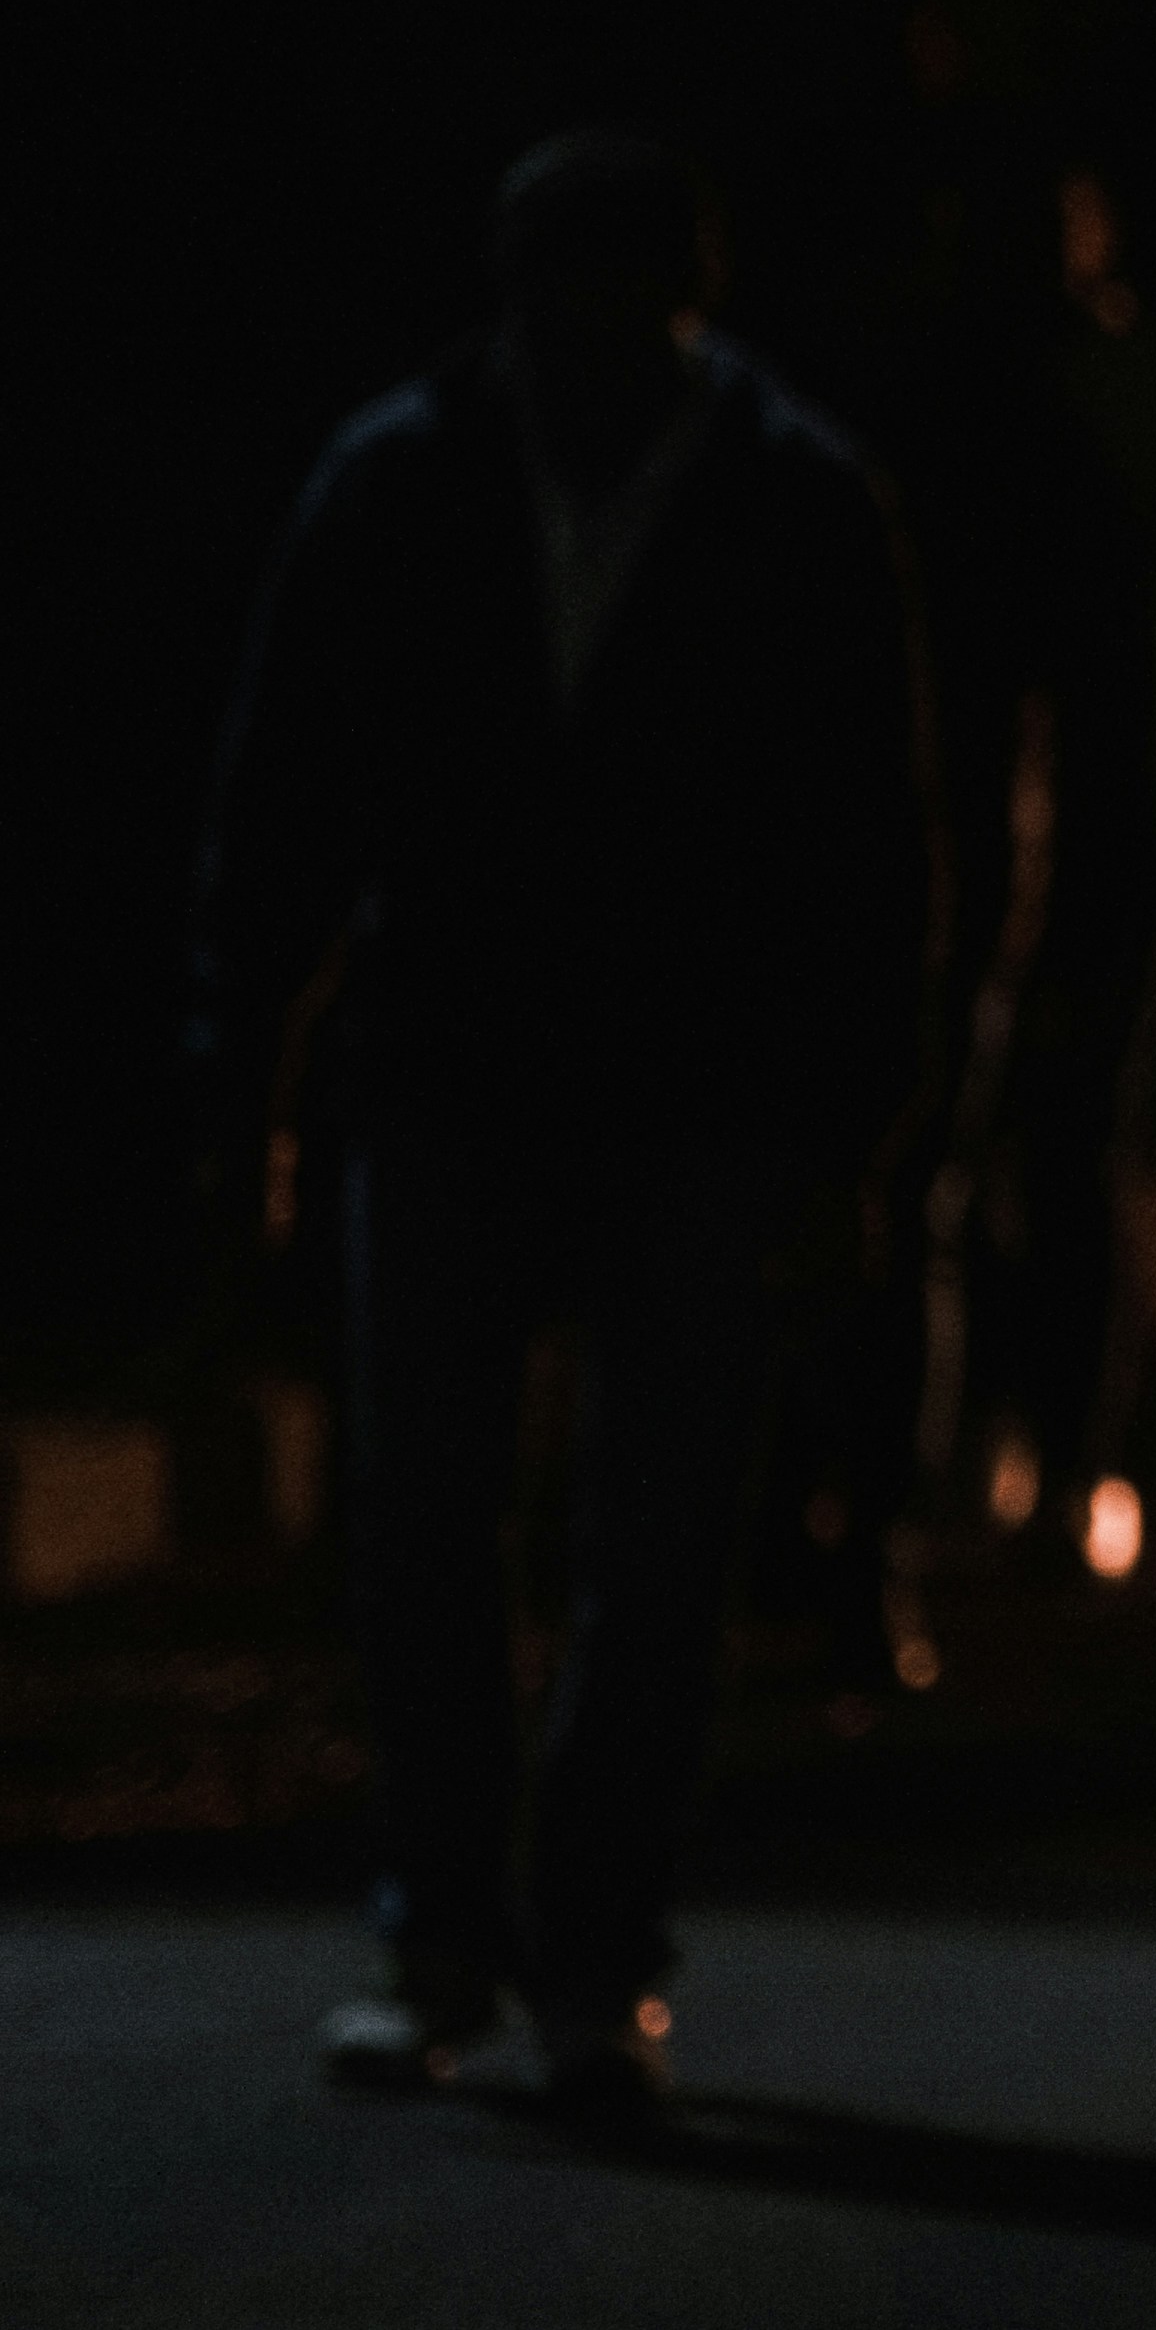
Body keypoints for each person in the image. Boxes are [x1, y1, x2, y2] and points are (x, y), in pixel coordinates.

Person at [192, 132, 937, 2119]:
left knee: (623, 1541)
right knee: (480, 1530)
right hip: (496, 1082)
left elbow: (875, 856)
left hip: (659, 1098)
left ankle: (561, 1949)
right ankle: (487, 1940)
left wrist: (848, 1134)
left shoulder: (747, 499)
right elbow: (286, 798)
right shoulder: (528, 482)